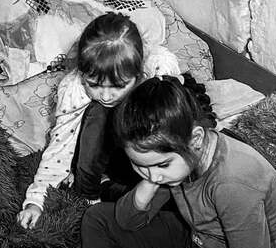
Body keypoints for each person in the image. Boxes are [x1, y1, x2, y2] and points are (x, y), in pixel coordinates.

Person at [81, 76, 276, 248]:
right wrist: (149, 182)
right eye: (139, 164)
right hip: (197, 241)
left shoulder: (233, 182)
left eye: (162, 165)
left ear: (196, 140)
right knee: (98, 218)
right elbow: (127, 221)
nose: (153, 176)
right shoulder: (174, 165)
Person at [17, 13, 181, 229]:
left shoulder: (159, 69)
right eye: (93, 84)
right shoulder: (75, 89)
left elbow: (177, 127)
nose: (105, 95)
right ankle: (94, 190)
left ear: (139, 71)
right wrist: (36, 201)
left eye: (118, 86)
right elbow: (60, 147)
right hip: (103, 159)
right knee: (98, 113)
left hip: (146, 151)